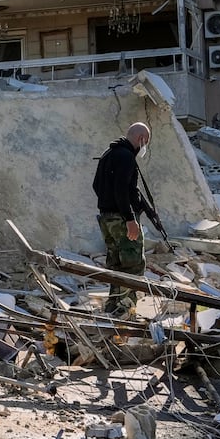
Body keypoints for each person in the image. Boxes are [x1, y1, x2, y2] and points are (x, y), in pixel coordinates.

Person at [92, 122, 156, 313]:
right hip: (121, 219)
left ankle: (113, 306)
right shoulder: (126, 157)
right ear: (141, 139)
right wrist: (129, 219)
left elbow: (97, 185)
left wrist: (109, 205)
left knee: (116, 264)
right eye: (146, 142)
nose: (144, 147)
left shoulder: (108, 154)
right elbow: (121, 190)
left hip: (106, 218)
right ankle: (126, 311)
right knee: (132, 264)